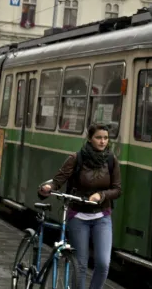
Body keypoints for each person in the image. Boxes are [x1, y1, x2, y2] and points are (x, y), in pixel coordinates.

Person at [39, 123, 122, 289]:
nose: (102, 141)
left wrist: (102, 195)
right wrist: (49, 188)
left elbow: (117, 189)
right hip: (78, 216)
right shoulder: (76, 158)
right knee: (81, 264)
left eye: (105, 138)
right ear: (90, 139)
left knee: (103, 263)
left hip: (102, 216)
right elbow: (58, 180)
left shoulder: (111, 160)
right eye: (98, 137)